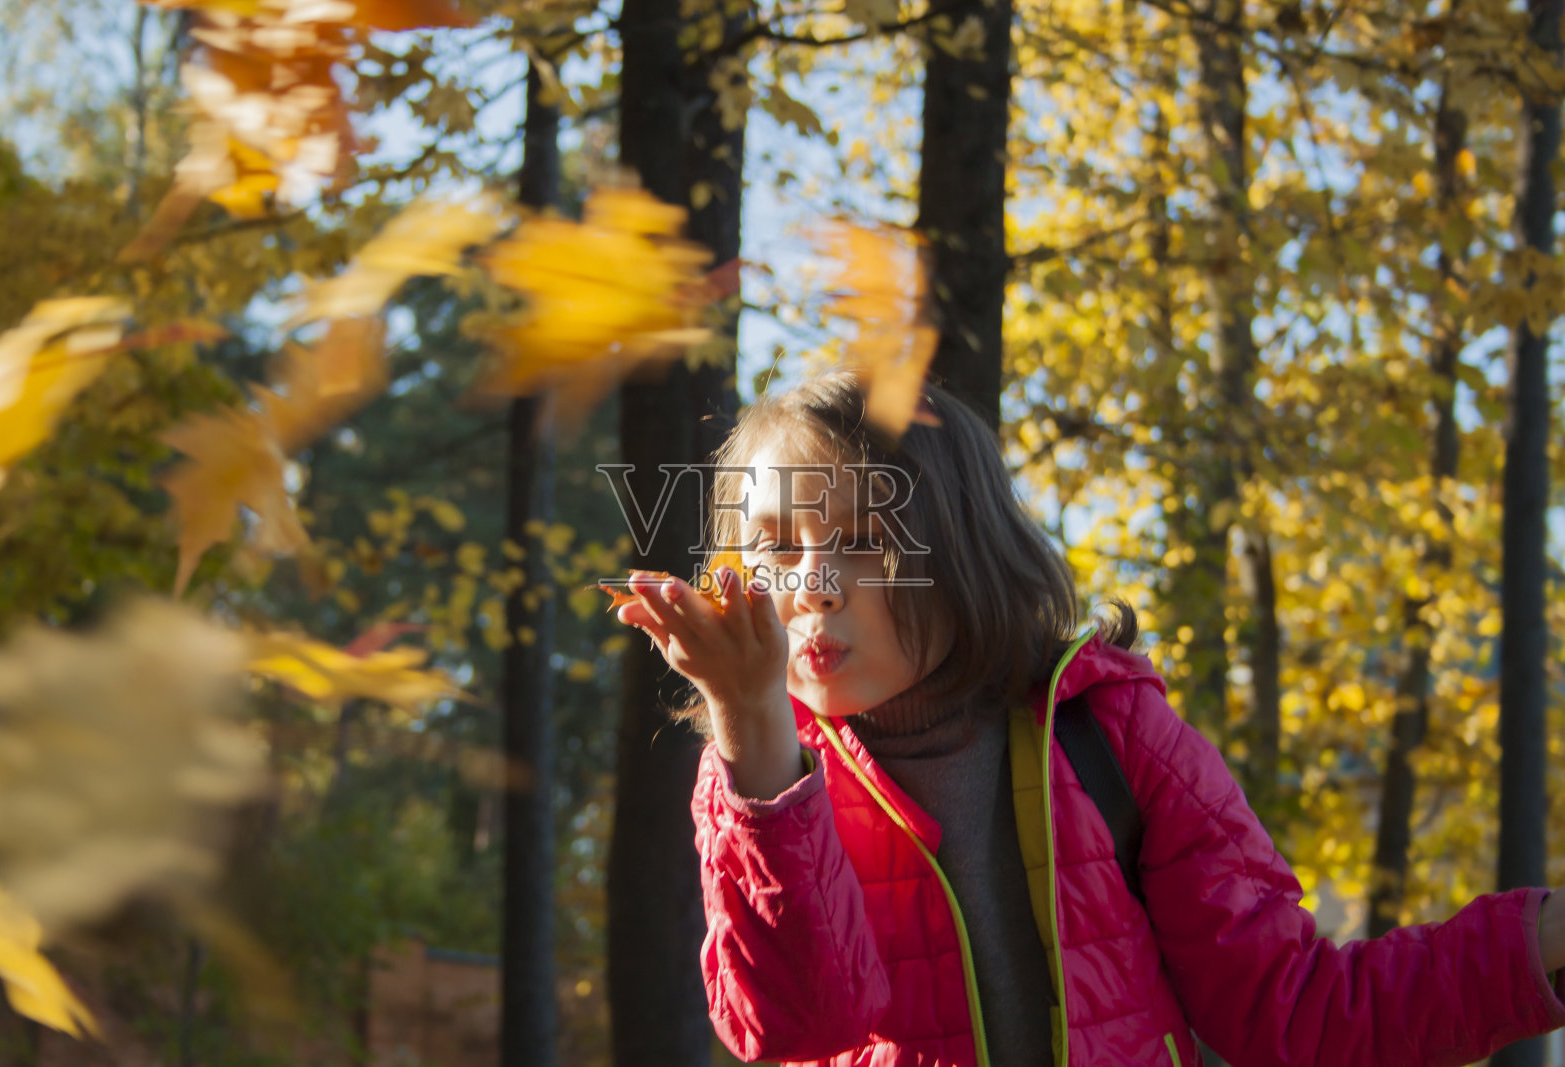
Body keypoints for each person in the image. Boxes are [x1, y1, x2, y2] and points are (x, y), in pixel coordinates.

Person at [611, 370, 1565, 1067]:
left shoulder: (1110, 731)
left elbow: (1298, 1013)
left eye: (861, 541)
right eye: (774, 550)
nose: (809, 586)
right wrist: (754, 731)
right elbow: (794, 1023)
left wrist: (1540, 945)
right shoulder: (750, 777)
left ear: (962, 548)